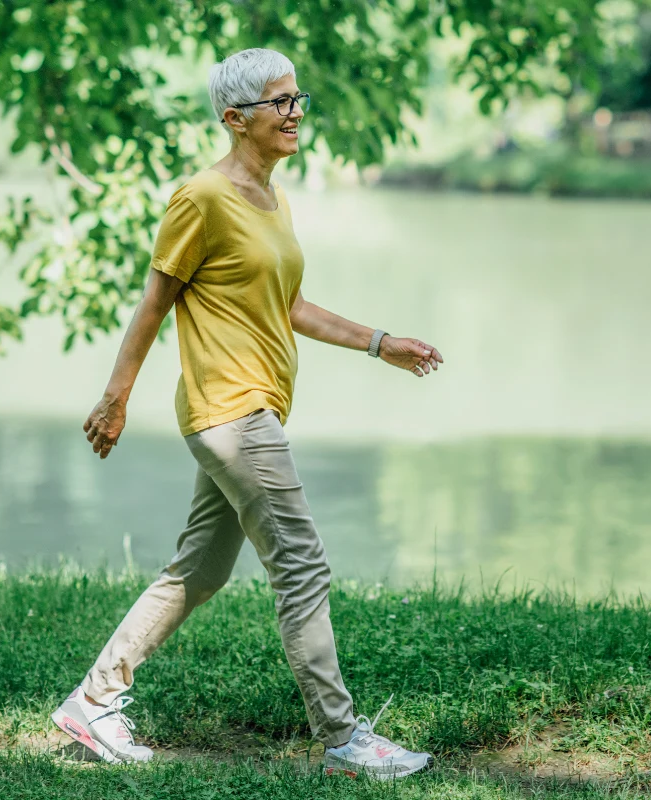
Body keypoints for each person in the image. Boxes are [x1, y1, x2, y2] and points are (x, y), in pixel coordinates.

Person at [51, 48, 443, 781]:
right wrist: (116, 396)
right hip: (230, 412)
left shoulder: (272, 199)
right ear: (235, 119)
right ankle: (343, 741)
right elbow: (155, 301)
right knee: (302, 562)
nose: (296, 113)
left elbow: (290, 306)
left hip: (251, 408)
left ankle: (92, 702)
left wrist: (379, 342)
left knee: (200, 569)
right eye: (279, 102)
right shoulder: (201, 197)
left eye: (297, 98)